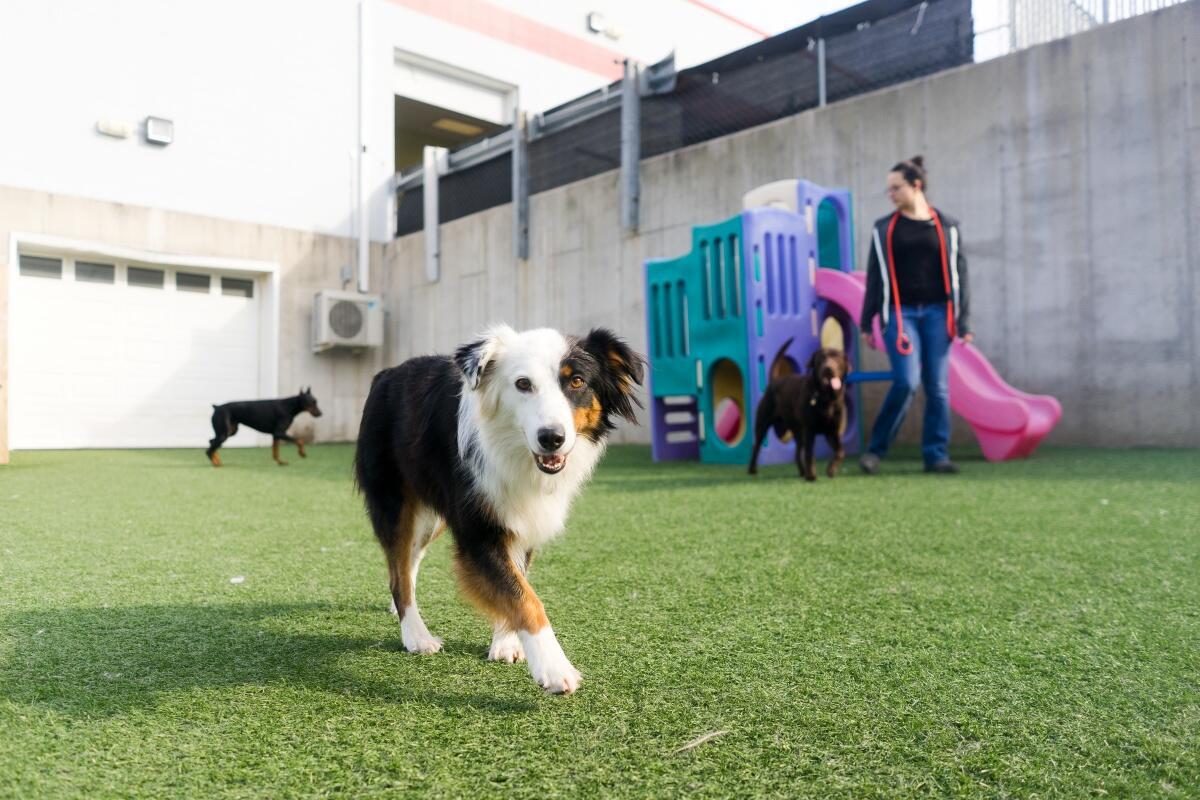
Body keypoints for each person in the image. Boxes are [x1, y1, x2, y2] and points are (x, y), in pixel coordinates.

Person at [859, 156, 971, 475]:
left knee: (937, 387)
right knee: (906, 381)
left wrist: (963, 321)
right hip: (900, 313)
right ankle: (875, 450)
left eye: (896, 188)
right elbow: (875, 275)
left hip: (938, 313)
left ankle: (936, 455)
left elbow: (961, 274)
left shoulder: (947, 227)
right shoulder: (884, 229)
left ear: (916, 185)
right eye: (889, 189)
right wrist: (867, 321)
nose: (891, 194)